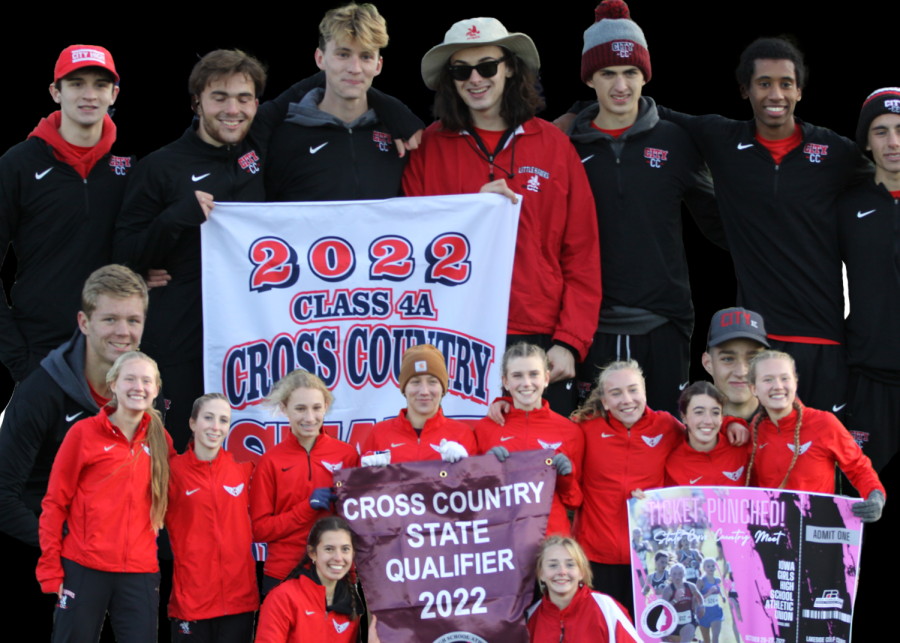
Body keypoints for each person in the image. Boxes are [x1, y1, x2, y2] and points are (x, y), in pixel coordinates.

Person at [113, 48, 422, 450]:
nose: (233, 110)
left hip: (253, 334)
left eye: (244, 98)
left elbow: (329, 78)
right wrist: (176, 218)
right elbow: (123, 256)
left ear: (257, 103)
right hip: (181, 337)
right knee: (179, 449)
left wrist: (396, 109)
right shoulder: (159, 166)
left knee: (245, 446)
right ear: (196, 103)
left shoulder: (258, 143)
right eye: (219, 97)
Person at [558, 36, 874, 416]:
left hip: (807, 330)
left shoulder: (834, 151)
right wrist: (569, 117)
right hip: (738, 334)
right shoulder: (721, 138)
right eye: (764, 83)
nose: (776, 94)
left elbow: (882, 181)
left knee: (820, 451)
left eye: (786, 83)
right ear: (745, 90)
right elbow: (638, 111)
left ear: (800, 90)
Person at [402, 17, 601, 417]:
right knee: (464, 466)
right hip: (456, 334)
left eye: (487, 66)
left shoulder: (555, 146)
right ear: (450, 80)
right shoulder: (427, 148)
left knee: (545, 467)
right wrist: (471, 213)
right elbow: (407, 249)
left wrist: (569, 341)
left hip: (539, 334)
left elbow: (582, 253)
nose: (476, 79)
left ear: (510, 67)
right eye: (461, 70)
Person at [568, 0, 726, 415]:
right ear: (590, 79)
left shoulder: (676, 141)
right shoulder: (565, 148)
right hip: (589, 323)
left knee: (665, 440)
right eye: (608, 74)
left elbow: (716, 220)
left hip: (663, 322)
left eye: (631, 73)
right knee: (591, 442)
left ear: (645, 76)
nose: (621, 86)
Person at [0, 45, 133, 382]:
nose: (89, 95)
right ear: (55, 92)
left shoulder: (131, 170)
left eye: (100, 85)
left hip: (114, 349)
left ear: (114, 94)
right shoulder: (17, 165)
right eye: (76, 84)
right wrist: (18, 357)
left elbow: (141, 246)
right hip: (41, 349)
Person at [0, 265, 152, 548]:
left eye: (133, 320)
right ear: (84, 323)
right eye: (109, 319)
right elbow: (3, 498)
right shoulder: (40, 394)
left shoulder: (146, 389)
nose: (123, 332)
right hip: (52, 548)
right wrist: (68, 546)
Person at [36, 351, 174, 643]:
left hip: (140, 571)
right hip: (84, 567)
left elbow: (185, 490)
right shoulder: (83, 434)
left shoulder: (162, 440)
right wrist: (50, 567)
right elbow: (54, 503)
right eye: (130, 379)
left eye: (146, 380)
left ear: (156, 389)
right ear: (113, 385)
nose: (139, 386)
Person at [266, 3, 419, 201]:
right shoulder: (284, 139)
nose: (354, 68)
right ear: (320, 59)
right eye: (343, 54)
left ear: (378, 65)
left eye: (365, 56)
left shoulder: (399, 137)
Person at [570, 360, 683, 613]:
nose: (627, 399)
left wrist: (733, 423)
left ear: (645, 392)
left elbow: (705, 437)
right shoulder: (585, 428)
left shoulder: (667, 426)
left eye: (633, 390)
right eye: (616, 393)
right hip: (595, 556)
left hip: (649, 558)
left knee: (641, 634)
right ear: (605, 401)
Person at [249, 369, 359, 596]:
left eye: (316, 408)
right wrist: (305, 509)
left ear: (326, 406)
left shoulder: (347, 456)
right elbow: (259, 530)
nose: (309, 418)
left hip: (334, 573)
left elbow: (360, 523)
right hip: (283, 575)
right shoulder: (270, 461)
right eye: (300, 409)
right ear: (284, 409)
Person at [744, 350, 886, 522]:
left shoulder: (824, 423)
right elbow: (751, 487)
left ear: (795, 383)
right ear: (753, 388)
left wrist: (875, 496)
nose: (778, 386)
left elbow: (858, 468)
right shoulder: (755, 429)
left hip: (816, 532)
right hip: (771, 533)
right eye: (768, 379)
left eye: (785, 378)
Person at [837, 87, 900, 473]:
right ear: (865, 142)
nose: (893, 142)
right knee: (863, 495)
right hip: (868, 376)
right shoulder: (845, 206)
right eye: (881, 131)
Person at [166, 393, 258, 642]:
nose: (216, 427)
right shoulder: (172, 471)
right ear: (193, 423)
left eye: (223, 420)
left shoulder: (243, 468)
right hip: (191, 602)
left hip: (239, 600)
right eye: (208, 418)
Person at [474, 343, 584, 536]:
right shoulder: (485, 428)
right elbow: (472, 496)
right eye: (517, 376)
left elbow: (574, 502)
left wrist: (567, 477)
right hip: (500, 540)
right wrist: (485, 470)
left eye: (534, 374)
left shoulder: (570, 431)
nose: (526, 383)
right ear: (505, 382)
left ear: (547, 378)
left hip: (550, 543)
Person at [255, 516, 380, 643]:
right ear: (312, 553)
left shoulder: (351, 602)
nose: (338, 557)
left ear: (353, 554)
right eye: (329, 549)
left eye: (345, 549)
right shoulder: (283, 597)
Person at [360, 344, 477, 465]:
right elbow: (358, 483)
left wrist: (466, 466)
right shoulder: (379, 434)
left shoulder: (462, 434)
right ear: (404, 388)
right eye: (415, 382)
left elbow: (480, 482)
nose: (424, 391)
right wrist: (367, 476)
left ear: (443, 388)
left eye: (432, 382)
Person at [526, 535, 639, 643]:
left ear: (582, 572)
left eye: (570, 565)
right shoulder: (531, 617)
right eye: (553, 565)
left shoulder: (606, 608)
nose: (562, 572)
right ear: (541, 573)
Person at [665, 381, 750, 487]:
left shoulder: (742, 447)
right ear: (684, 417)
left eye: (715, 413)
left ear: (722, 417)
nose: (708, 421)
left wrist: (732, 423)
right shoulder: (673, 463)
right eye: (699, 412)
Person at [701, 307, 769, 422]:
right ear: (708, 363)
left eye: (752, 359)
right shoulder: (685, 429)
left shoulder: (789, 424)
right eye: (728, 359)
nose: (741, 372)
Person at [660, 563, 704, 643]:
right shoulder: (667, 590)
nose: (677, 576)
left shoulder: (690, 586)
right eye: (674, 573)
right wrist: (675, 600)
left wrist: (702, 606)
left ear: (684, 574)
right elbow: (664, 608)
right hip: (672, 625)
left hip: (689, 622)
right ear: (670, 575)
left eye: (680, 573)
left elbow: (699, 596)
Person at [697, 558, 725, 643]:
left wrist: (722, 596)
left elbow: (718, 588)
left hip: (716, 611)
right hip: (703, 612)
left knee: (715, 639)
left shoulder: (717, 580)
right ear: (704, 568)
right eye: (708, 566)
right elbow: (696, 598)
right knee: (707, 641)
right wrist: (709, 593)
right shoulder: (701, 581)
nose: (711, 568)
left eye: (713, 566)